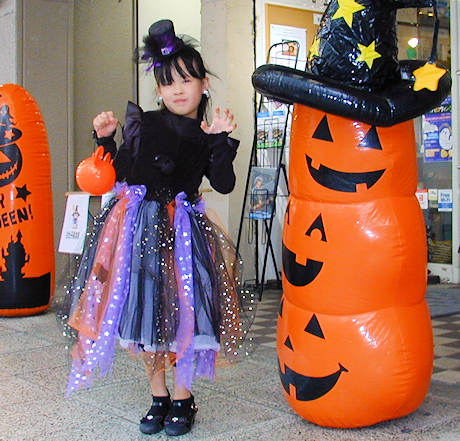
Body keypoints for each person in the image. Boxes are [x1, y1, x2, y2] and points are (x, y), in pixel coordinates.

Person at [62, 19, 254, 437]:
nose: (178, 90)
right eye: (168, 83)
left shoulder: (206, 134)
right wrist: (105, 141)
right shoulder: (144, 123)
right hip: (139, 234)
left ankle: (183, 397)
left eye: (187, 80)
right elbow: (119, 174)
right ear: (159, 90)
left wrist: (221, 141)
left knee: (184, 314)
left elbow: (223, 183)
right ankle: (158, 396)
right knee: (146, 314)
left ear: (204, 84)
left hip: (183, 236)